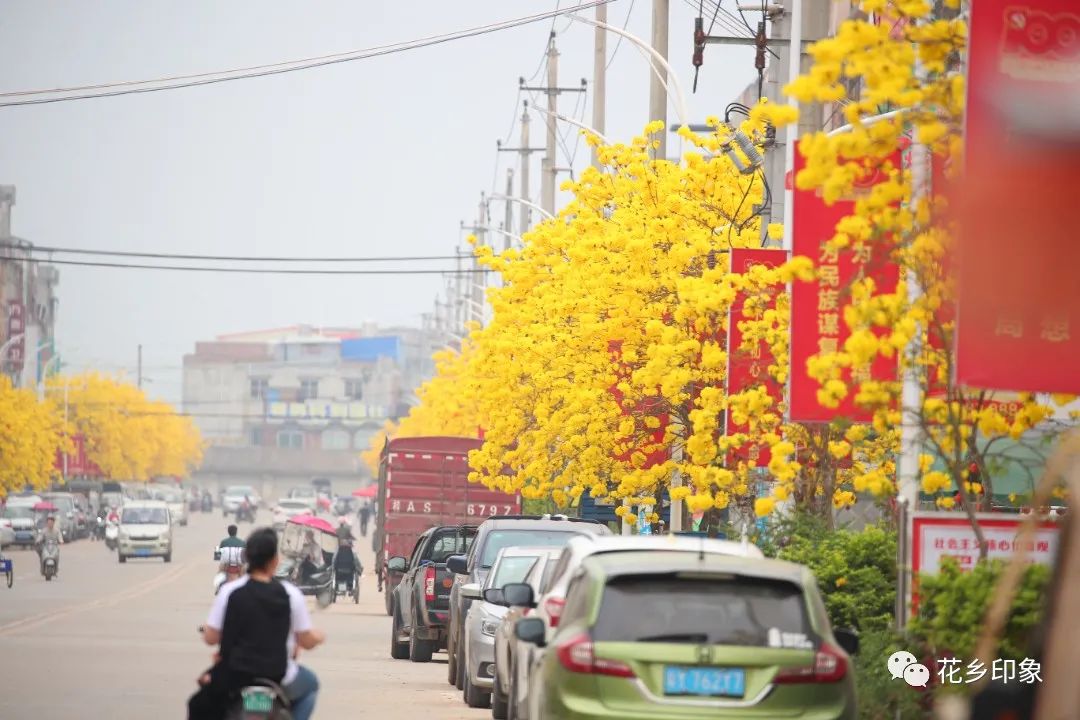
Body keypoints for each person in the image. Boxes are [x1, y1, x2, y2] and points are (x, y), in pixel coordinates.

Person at [189, 527, 324, 720]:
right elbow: (307, 640)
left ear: (247, 559)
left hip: (234, 675)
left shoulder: (229, 591)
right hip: (280, 674)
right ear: (275, 561)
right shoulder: (291, 594)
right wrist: (319, 636)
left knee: (198, 705)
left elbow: (211, 638)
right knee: (310, 685)